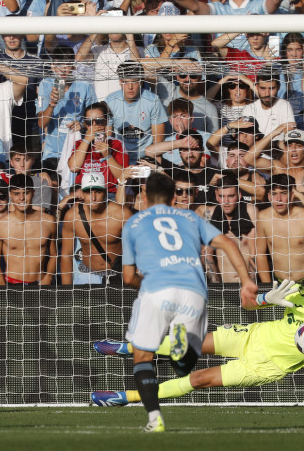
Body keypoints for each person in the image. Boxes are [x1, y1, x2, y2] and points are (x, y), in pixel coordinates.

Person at [91, 264, 304, 409]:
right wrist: (265, 299)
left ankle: (124, 397)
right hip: (253, 335)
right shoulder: (299, 292)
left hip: (267, 365)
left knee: (198, 379)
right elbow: (246, 303)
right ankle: (127, 347)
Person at [94, 172, 257, 433]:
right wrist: (246, 280)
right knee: (184, 365)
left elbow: (127, 277)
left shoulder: (134, 224)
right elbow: (226, 243)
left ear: (145, 197)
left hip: (157, 289)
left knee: (143, 355)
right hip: (192, 289)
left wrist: (143, 284)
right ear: (173, 197)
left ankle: (154, 418)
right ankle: (182, 345)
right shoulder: (190, 217)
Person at [254, 174, 304, 283]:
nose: (279, 199)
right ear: (269, 197)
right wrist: (267, 286)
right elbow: (260, 254)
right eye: (274, 194)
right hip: (279, 283)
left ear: (292, 195)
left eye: (283, 193)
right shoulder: (263, 218)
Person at [59, 172, 133, 285]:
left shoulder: (122, 214)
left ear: (105, 192)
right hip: (87, 275)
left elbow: (137, 251)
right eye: (88, 192)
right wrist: (67, 291)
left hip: (117, 276)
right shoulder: (72, 216)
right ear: (82, 193)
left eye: (98, 192)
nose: (93, 197)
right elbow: (66, 255)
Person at [0, 174, 57, 285]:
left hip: (40, 283)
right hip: (11, 284)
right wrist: (3, 290)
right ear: (10, 195)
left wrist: (49, 277)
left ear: (33, 193)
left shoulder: (48, 222)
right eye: (17, 194)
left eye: (26, 193)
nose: (21, 198)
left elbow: (54, 255)